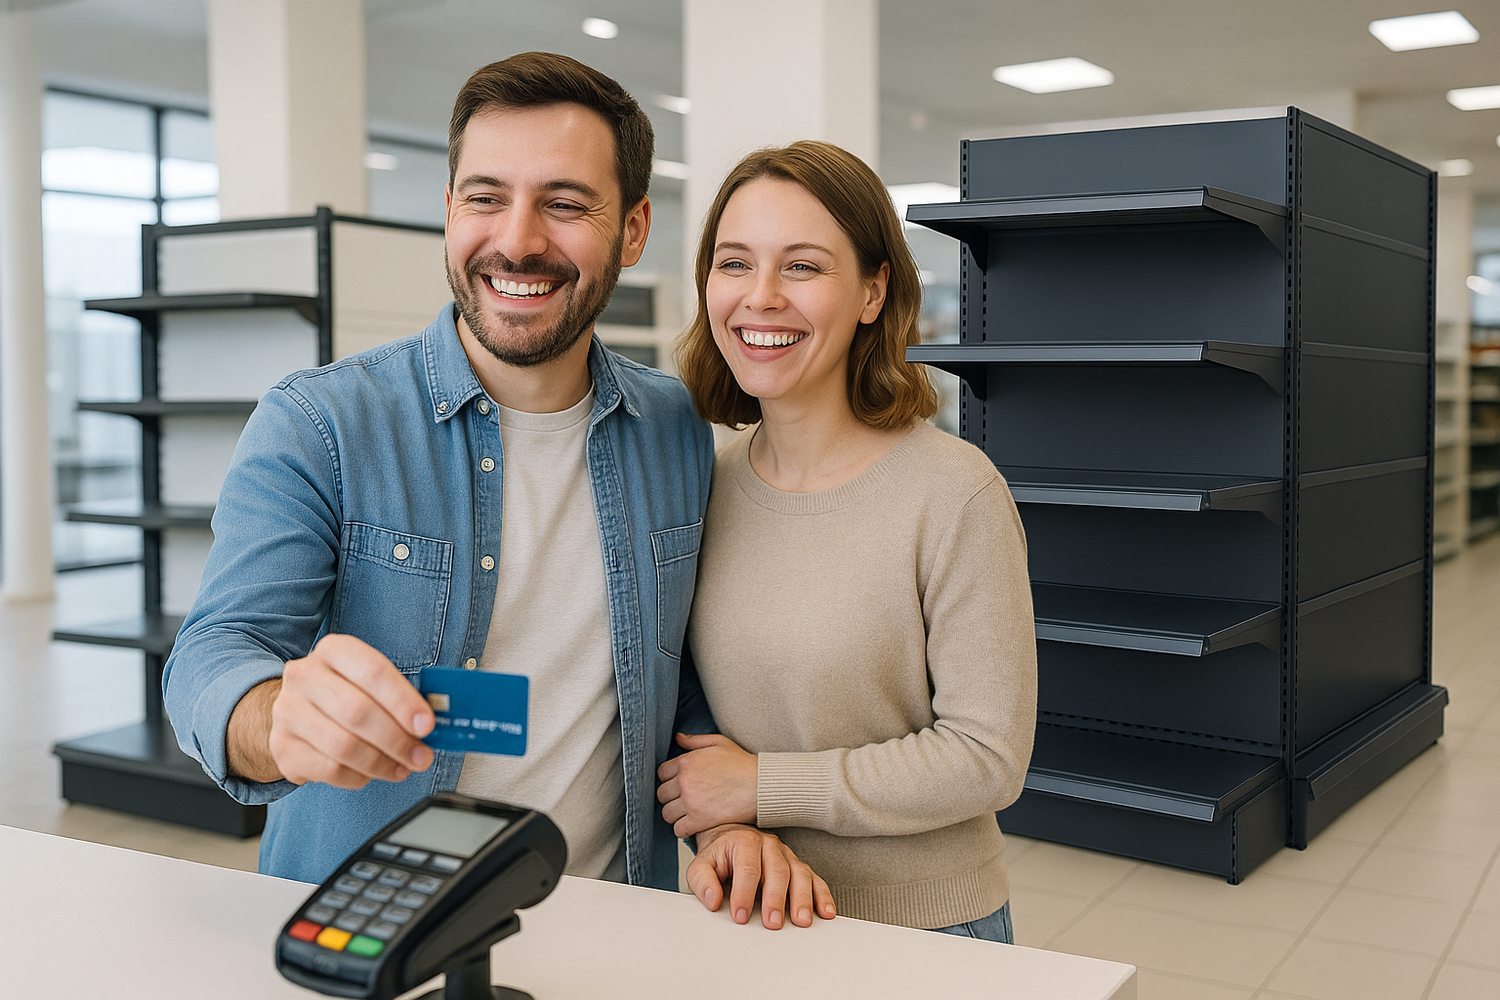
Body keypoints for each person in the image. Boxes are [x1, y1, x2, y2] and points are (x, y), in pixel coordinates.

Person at [163, 53, 826, 927]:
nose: (517, 240)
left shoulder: (674, 428)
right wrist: (273, 714)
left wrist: (725, 822)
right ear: (447, 211)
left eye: (563, 203)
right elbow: (214, 656)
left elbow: (676, 670)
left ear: (631, 230)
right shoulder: (320, 423)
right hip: (373, 931)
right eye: (484, 197)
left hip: (608, 927)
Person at [657, 141, 1037, 942]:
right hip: (748, 913)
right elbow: (684, 723)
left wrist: (763, 787)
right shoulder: (703, 488)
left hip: (926, 930)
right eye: (734, 264)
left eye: (802, 267)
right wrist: (728, 826)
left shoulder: (953, 492)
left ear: (872, 290)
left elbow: (987, 757)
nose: (760, 298)